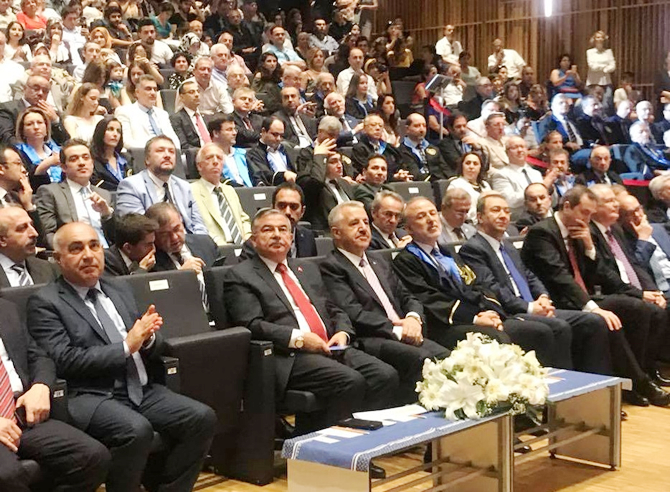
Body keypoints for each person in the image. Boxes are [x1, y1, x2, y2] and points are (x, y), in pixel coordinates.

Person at [27, 221, 217, 492]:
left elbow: (148, 338)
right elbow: (65, 360)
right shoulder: (46, 302)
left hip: (141, 389)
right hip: (92, 395)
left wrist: (148, 339)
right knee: (135, 431)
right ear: (58, 259)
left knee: (202, 418)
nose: (88, 255)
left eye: (94, 246)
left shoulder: (118, 288)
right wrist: (127, 346)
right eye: (76, 248)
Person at [224, 207, 399, 440]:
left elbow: (333, 308)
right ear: (253, 240)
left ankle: (363, 440)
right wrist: (299, 339)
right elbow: (252, 324)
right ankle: (324, 446)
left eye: (283, 230)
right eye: (267, 230)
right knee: (349, 380)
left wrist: (343, 332)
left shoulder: (305, 268)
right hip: (289, 355)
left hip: (331, 345)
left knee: (384, 375)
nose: (277, 235)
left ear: (291, 237)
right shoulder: (241, 275)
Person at [521, 186, 670, 406]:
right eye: (584, 212)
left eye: (590, 214)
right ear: (567, 206)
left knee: (638, 309)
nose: (587, 219)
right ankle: (637, 383)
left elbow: (597, 274)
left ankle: (637, 377)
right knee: (604, 320)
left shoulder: (580, 230)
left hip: (586, 295)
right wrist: (593, 308)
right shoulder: (542, 232)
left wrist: (589, 248)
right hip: (559, 300)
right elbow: (560, 278)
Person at [393, 197, 569, 368]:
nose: (431, 219)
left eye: (432, 213)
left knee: (542, 331)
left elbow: (476, 284)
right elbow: (430, 299)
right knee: (507, 335)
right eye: (421, 216)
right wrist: (475, 318)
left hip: (477, 315)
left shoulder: (447, 253)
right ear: (408, 228)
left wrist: (490, 311)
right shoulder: (407, 259)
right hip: (447, 324)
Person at [460, 192, 612, 374]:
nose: (503, 215)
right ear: (480, 217)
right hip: (509, 312)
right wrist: (530, 308)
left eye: (506, 211)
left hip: (532, 305)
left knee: (593, 321)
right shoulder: (472, 249)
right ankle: (564, 383)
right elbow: (491, 288)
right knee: (558, 327)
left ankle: (596, 380)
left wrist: (543, 297)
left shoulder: (507, 245)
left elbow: (529, 275)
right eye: (496, 210)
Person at [321, 201, 450, 402]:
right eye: (354, 223)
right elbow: (353, 313)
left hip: (403, 331)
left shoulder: (378, 260)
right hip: (370, 337)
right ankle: (412, 417)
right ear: (336, 233)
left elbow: (407, 296)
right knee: (421, 360)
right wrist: (397, 329)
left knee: (447, 357)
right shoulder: (332, 266)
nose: (363, 228)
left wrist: (413, 318)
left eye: (365, 222)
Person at [0, 287, 111, 489]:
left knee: (92, 457)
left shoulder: (6, 309)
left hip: (21, 412)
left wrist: (41, 386)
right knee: (7, 475)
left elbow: (38, 356)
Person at [116, 135, 207, 235]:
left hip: (189, 240)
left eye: (171, 151)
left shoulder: (184, 187)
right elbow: (138, 229)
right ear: (147, 159)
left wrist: (198, 242)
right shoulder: (131, 186)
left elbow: (199, 224)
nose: (167, 155)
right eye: (160, 151)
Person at [35, 139, 115, 249]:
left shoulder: (104, 194)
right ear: (63, 167)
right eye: (74, 159)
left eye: (86, 158)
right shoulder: (50, 192)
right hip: (74, 253)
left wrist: (106, 214)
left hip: (107, 253)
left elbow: (115, 237)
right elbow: (47, 235)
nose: (81, 163)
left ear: (92, 163)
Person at [190, 143, 252, 246]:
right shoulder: (191, 191)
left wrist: (248, 238)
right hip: (215, 248)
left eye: (219, 158)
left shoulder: (229, 190)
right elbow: (195, 226)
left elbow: (243, 219)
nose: (215, 162)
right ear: (199, 166)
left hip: (242, 247)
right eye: (209, 158)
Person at [298, 136, 355, 231]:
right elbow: (317, 181)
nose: (340, 166)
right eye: (333, 162)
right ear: (322, 164)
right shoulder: (308, 182)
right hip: (327, 232)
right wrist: (319, 156)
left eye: (340, 161)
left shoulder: (344, 183)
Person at [619, 192, 670, 295]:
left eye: (638, 209)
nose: (637, 215)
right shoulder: (622, 241)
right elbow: (637, 268)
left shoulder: (658, 229)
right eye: (629, 213)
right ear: (620, 219)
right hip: (656, 289)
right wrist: (643, 239)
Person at [145, 202, 218, 273]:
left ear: (181, 221)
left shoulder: (206, 243)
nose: (174, 238)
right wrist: (181, 274)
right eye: (165, 234)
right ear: (154, 236)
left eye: (176, 229)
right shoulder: (150, 262)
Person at [114, 75, 180, 150]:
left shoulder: (163, 114)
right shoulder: (124, 112)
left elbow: (175, 140)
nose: (153, 93)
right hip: (142, 154)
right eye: (148, 89)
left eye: (155, 89)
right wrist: (156, 149)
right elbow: (126, 142)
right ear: (137, 92)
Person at [489, 136, 547, 220]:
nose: (519, 150)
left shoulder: (536, 173)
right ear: (507, 152)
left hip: (545, 218)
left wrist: (551, 188)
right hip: (520, 221)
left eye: (522, 147)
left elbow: (552, 202)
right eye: (514, 147)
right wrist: (540, 190)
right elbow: (509, 201)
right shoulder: (500, 175)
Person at [0, 205, 56, 286]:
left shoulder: (49, 269)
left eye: (32, 225)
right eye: (22, 228)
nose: (34, 233)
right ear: (2, 240)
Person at [13, 106, 63, 190]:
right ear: (22, 130)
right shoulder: (17, 153)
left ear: (46, 127)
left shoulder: (56, 150)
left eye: (40, 122)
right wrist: (48, 163)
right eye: (29, 124)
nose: (36, 127)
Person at [399, 113, 451, 182]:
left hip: (439, 183)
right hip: (419, 184)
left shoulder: (433, 148)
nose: (422, 130)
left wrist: (452, 179)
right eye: (417, 126)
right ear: (407, 129)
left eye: (424, 126)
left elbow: (445, 169)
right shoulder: (401, 150)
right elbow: (414, 173)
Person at [246, 117, 298, 186]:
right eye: (275, 134)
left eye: (281, 135)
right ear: (263, 131)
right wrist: (284, 175)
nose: (278, 139)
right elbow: (264, 176)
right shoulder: (253, 153)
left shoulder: (287, 149)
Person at [351, 113, 403, 178]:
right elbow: (366, 170)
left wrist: (400, 172)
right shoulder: (359, 148)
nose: (378, 128)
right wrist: (393, 176)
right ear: (364, 129)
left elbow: (400, 161)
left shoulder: (388, 147)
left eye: (380, 126)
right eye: (373, 125)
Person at [447, 152, 492, 223]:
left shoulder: (486, 185)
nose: (471, 166)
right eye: (468, 163)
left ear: (480, 167)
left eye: (475, 164)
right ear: (462, 166)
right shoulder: (455, 185)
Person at [169, 79, 211, 151]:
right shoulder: (176, 118)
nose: (197, 95)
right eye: (191, 92)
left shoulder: (206, 117)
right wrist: (204, 152)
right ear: (182, 97)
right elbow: (183, 146)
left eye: (198, 91)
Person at [90, 116, 128, 192]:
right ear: (100, 132)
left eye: (118, 131)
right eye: (110, 129)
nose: (115, 134)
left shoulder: (128, 159)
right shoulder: (92, 161)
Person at [586, 30, 616, 113]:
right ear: (594, 39)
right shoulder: (590, 52)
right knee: (594, 103)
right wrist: (605, 67)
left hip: (606, 81)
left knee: (607, 104)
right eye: (598, 37)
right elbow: (592, 66)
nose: (599, 39)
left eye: (601, 37)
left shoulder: (608, 52)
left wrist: (605, 68)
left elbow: (613, 66)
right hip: (593, 82)